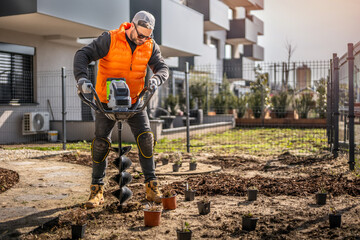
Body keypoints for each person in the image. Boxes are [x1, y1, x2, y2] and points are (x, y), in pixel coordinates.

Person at [73, 11, 169, 208]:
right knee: (100, 143)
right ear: (131, 26)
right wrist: (82, 79)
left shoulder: (150, 45)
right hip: (105, 101)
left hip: (134, 100)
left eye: (147, 36)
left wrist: (155, 79)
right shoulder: (110, 39)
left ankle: (151, 187)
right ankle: (96, 191)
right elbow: (82, 54)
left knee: (146, 139)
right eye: (140, 35)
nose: (142, 39)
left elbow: (163, 68)